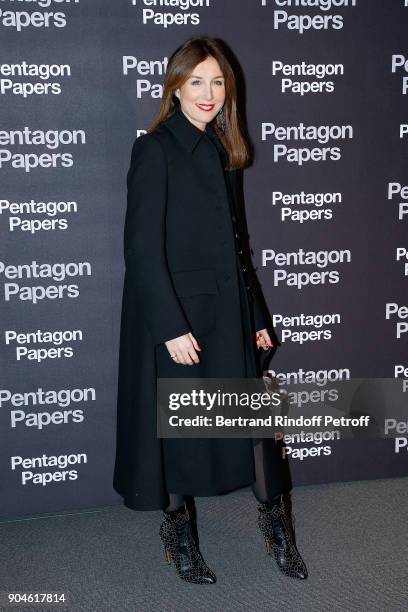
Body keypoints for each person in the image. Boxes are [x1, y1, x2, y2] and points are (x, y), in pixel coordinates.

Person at [113, 35, 308, 584]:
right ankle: (179, 539)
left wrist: (259, 315)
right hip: (177, 319)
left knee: (252, 431)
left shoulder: (225, 151)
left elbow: (236, 245)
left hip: (229, 314)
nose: (208, 92)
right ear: (174, 88)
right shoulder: (154, 149)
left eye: (217, 81)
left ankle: (278, 531)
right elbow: (141, 249)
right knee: (179, 434)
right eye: (195, 81)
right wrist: (170, 325)